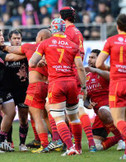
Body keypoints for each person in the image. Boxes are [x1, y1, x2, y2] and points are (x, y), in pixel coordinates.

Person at [29, 18, 86, 156]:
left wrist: (43, 62)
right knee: (74, 117)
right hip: (72, 83)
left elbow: (31, 63)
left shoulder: (45, 43)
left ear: (53, 29)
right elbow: (80, 67)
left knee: (59, 118)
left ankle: (70, 147)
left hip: (56, 83)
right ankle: (78, 147)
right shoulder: (73, 45)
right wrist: (83, 87)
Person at [96, 14, 126, 160]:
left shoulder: (111, 41)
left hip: (118, 84)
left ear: (117, 26)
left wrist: (111, 68)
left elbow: (98, 64)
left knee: (117, 120)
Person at [4, 29, 55, 153]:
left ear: (41, 38)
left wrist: (0, 45)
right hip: (49, 84)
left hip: (35, 86)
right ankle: (57, 140)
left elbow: (11, 51)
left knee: (37, 117)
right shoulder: (53, 49)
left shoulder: (32, 47)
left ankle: (44, 144)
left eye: (37, 36)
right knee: (46, 115)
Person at [60, 6, 96, 151]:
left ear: (61, 17)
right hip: (77, 72)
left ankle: (69, 143)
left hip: (68, 72)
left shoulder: (66, 33)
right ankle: (91, 143)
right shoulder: (77, 32)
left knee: (64, 110)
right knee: (78, 108)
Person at [85, 49, 124, 151]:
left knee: (103, 110)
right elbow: (85, 98)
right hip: (100, 116)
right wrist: (87, 104)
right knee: (95, 146)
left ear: (99, 59)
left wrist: (96, 70)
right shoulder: (86, 77)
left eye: (93, 58)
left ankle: (123, 139)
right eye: (89, 57)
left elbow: (112, 78)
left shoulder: (106, 70)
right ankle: (122, 138)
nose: (90, 60)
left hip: (111, 109)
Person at [4, 29, 29, 151]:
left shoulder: (27, 51)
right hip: (8, 90)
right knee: (9, 116)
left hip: (23, 89)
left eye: (19, 38)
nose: (17, 40)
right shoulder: (4, 52)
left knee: (23, 118)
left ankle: (22, 144)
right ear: (9, 40)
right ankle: (9, 142)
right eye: (14, 38)